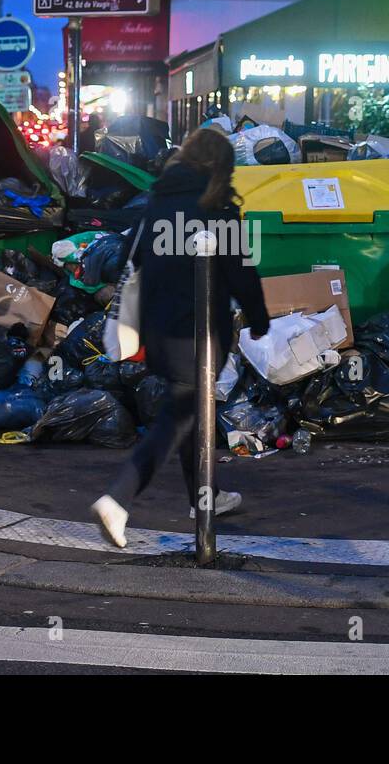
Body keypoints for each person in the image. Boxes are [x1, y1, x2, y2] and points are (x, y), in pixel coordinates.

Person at [91, 128, 271, 548]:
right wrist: (260, 319)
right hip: (199, 332)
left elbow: (127, 258)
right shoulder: (217, 208)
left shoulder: (157, 200)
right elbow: (241, 272)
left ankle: (204, 497)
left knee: (189, 410)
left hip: (158, 329)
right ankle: (118, 499)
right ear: (221, 168)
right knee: (179, 415)